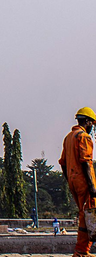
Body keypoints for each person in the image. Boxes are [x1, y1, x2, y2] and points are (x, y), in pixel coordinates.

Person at [59, 107, 96, 257]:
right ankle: (82, 251)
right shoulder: (84, 137)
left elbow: (63, 162)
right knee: (90, 214)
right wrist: (92, 186)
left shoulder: (69, 137)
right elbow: (86, 162)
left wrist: (70, 180)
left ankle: (81, 250)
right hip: (83, 182)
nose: (92, 127)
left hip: (73, 182)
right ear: (87, 121)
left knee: (83, 214)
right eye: (92, 123)